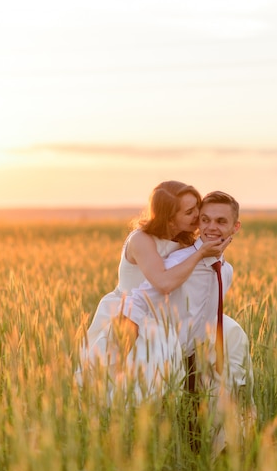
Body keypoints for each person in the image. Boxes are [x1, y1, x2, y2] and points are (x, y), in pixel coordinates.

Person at [120, 191, 255, 451]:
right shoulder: (180, 262)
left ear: (235, 227)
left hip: (195, 354)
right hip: (164, 355)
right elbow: (139, 300)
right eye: (205, 220)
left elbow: (207, 313)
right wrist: (123, 348)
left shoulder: (225, 270)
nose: (211, 227)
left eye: (221, 221)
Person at [75, 181, 231, 403]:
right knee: (123, 387)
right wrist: (200, 254)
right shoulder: (141, 240)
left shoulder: (186, 240)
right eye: (189, 211)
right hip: (130, 316)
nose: (197, 215)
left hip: (165, 316)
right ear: (169, 218)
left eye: (197, 206)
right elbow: (163, 283)